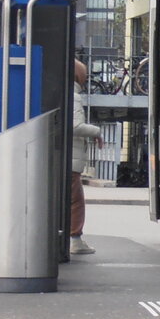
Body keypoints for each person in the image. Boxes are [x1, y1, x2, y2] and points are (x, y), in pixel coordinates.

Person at [70, 60, 102, 255]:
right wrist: (97, 131)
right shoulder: (74, 97)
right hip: (72, 161)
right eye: (85, 75)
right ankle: (75, 239)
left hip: (67, 160)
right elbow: (75, 127)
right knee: (76, 201)